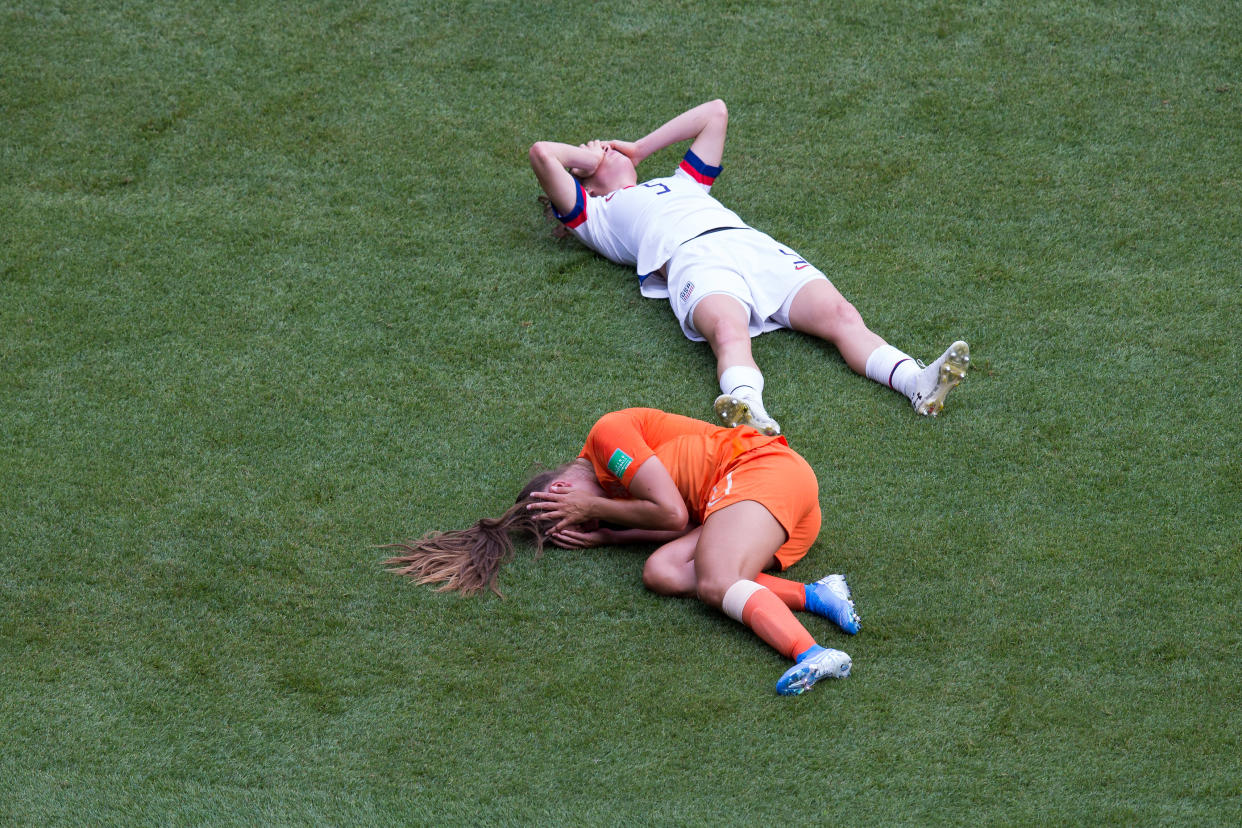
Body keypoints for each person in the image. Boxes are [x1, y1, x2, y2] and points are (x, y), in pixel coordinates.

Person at [528, 99, 971, 435]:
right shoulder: (597, 217)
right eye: (589, 154)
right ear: (584, 182)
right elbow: (542, 154)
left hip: (753, 247)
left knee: (842, 317)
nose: (597, 145)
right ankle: (747, 410)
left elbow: (714, 113)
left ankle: (917, 382)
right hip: (693, 258)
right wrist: (595, 158)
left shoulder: (683, 183)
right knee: (729, 333)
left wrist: (637, 150)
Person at [384, 407, 862, 696]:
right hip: (757, 511)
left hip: (763, 471)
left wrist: (591, 507)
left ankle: (812, 653)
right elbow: (677, 524)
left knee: (717, 580)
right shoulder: (616, 498)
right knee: (662, 571)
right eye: (578, 524)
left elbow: (673, 516)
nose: (588, 518)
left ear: (561, 483)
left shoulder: (607, 438)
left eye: (569, 507)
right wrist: (609, 535)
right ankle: (818, 594)